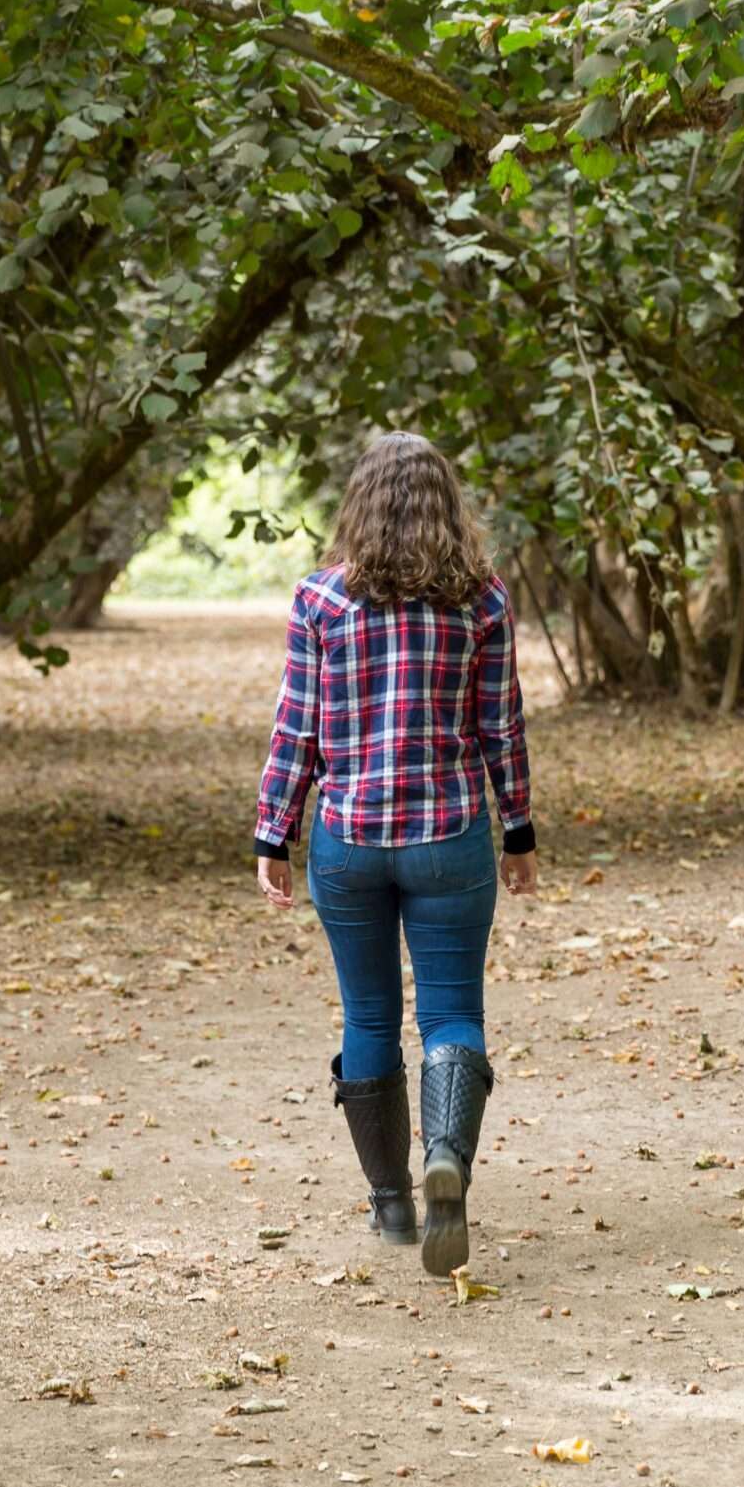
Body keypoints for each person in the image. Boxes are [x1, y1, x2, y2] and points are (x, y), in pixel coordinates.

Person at [252, 433, 537, 1276]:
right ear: (448, 506)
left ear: (361, 506)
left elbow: (295, 726)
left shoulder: (321, 600)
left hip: (348, 839)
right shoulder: (481, 600)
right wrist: (517, 829)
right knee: (452, 1012)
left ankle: (391, 1205)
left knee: (368, 1015)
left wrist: (276, 830)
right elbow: (502, 726)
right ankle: (446, 1156)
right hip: (450, 834)